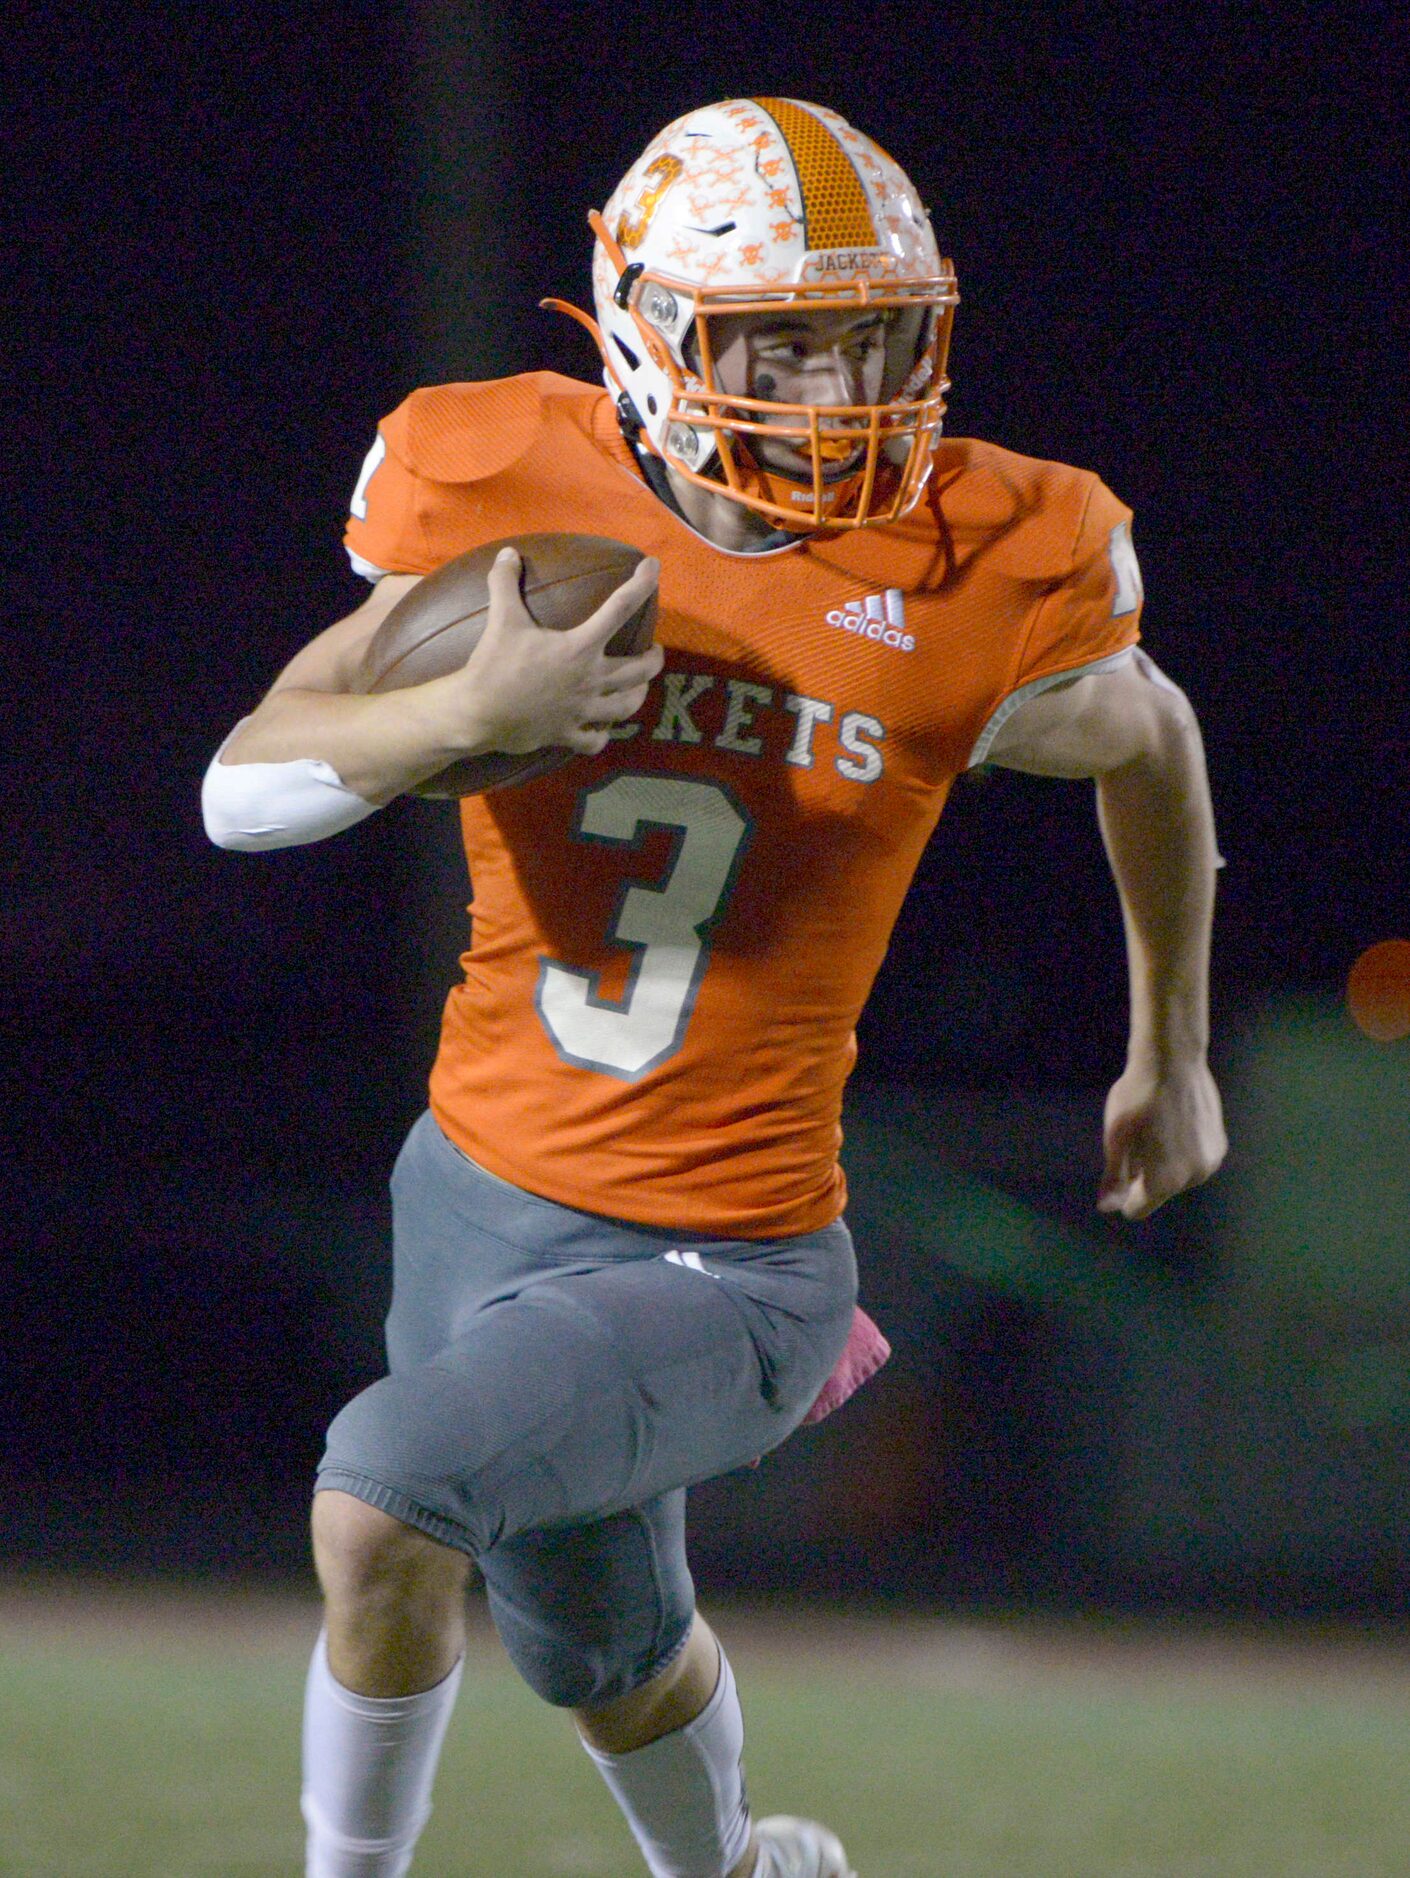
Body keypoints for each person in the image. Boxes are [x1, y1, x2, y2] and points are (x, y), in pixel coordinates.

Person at [203, 97, 1226, 1878]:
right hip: (471, 1193)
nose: (833, 399)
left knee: (380, 1500)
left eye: (869, 344)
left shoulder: (974, 563)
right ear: (654, 333)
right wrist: (461, 719)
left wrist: (1173, 1047)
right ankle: (738, 1866)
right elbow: (243, 787)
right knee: (598, 1649)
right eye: (782, 345)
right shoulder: (508, 487)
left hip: (729, 1255)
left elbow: (1151, 735)